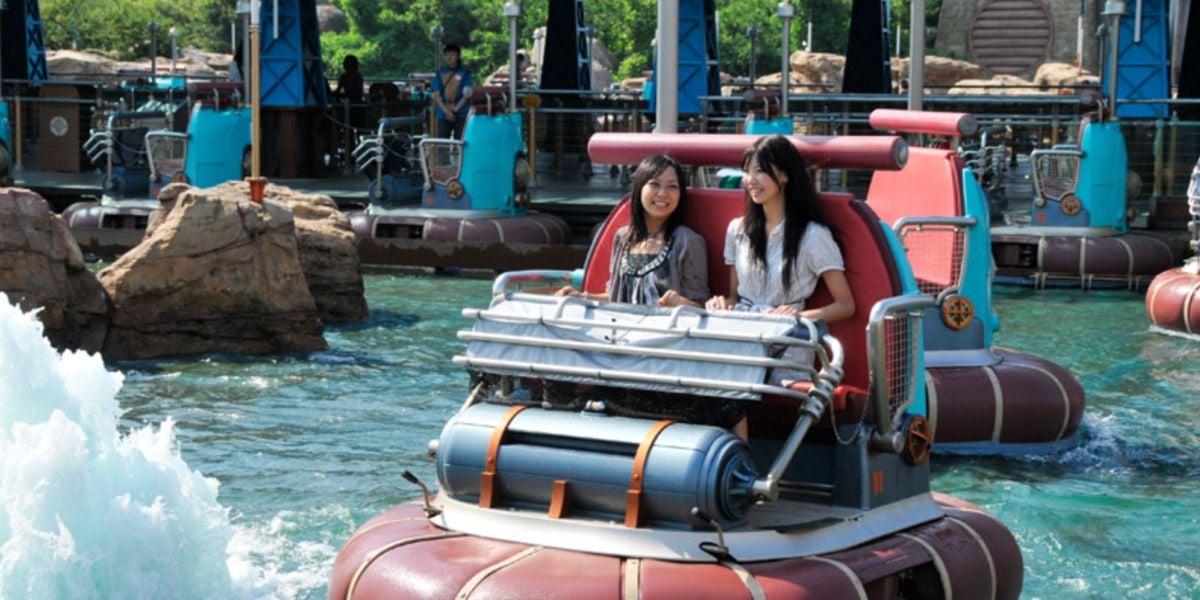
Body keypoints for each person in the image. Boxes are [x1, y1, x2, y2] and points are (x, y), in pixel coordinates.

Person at [705, 135, 856, 438]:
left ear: (784, 175)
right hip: (745, 331)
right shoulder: (738, 230)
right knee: (709, 369)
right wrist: (721, 304)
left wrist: (799, 318)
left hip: (787, 340)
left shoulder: (813, 236)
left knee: (727, 376)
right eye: (747, 171)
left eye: (760, 171)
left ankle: (736, 461)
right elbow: (736, 297)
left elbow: (845, 305)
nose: (751, 180)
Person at [557, 154, 708, 307]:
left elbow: (702, 305)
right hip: (620, 327)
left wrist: (680, 302)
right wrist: (581, 297)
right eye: (655, 184)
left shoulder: (687, 240)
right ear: (639, 188)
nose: (662, 193)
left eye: (672, 187)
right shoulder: (623, 237)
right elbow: (615, 297)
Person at [431, 43, 473, 140]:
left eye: (452, 54)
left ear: (458, 57)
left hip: (461, 112)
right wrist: (447, 112)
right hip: (443, 114)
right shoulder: (440, 73)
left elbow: (466, 95)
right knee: (442, 144)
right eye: (447, 54)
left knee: (461, 143)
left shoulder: (465, 73)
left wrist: (454, 111)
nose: (449, 57)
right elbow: (436, 95)